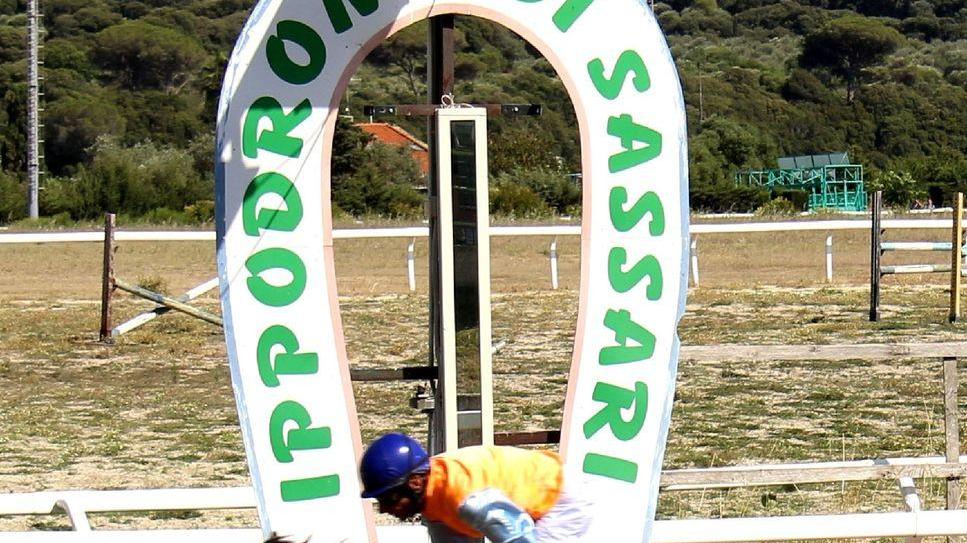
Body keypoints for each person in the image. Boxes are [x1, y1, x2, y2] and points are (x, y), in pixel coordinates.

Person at [359, 433, 591, 543]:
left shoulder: (468, 498)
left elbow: (521, 539)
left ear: (415, 482)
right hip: (528, 493)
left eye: (389, 499)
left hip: (558, 502)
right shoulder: (430, 494)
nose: (385, 509)